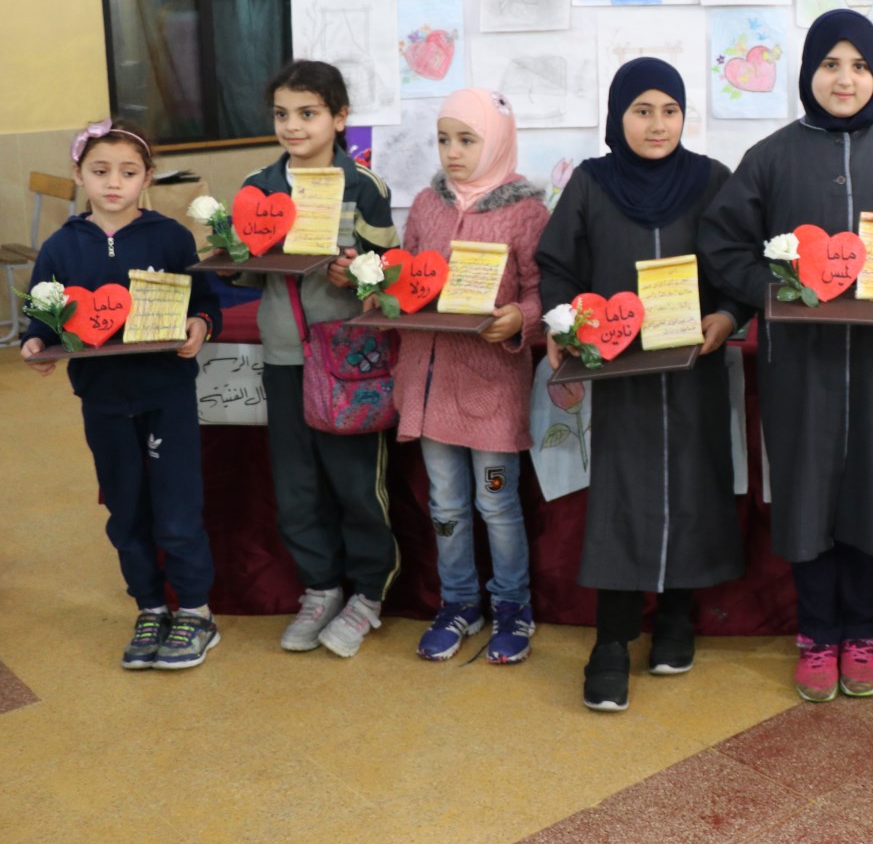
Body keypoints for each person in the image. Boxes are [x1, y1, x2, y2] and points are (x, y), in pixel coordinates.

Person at [700, 9, 873, 703]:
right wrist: (776, 292)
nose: (845, 79)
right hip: (800, 364)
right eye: (830, 64)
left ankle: (861, 633)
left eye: (860, 66)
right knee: (807, 493)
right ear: (808, 72)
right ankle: (816, 634)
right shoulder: (771, 157)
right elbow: (723, 244)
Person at [536, 59, 749, 713]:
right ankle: (612, 641)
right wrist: (559, 321)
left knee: (693, 487)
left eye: (670, 110)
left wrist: (728, 316)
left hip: (693, 376)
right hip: (620, 377)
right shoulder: (592, 184)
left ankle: (678, 618)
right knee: (622, 498)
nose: (658, 125)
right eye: (642, 110)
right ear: (617, 115)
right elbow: (557, 265)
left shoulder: (712, 180)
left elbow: (737, 264)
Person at [19, 120, 220, 669]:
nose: (114, 182)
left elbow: (204, 302)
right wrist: (36, 341)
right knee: (125, 510)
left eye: (128, 173)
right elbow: (42, 314)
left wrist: (201, 324)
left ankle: (196, 613)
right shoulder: (60, 246)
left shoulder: (170, 237)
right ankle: (150, 607)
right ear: (79, 174)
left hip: (167, 395)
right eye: (100, 171)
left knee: (177, 509)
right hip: (103, 401)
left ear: (147, 178)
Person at [239, 61, 401, 659]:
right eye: (281, 114)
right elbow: (239, 274)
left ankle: (368, 595)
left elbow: (389, 278)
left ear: (339, 117)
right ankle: (320, 588)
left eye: (308, 113)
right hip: (285, 354)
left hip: (349, 360)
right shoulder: (259, 185)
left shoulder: (365, 186)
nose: (293, 126)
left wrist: (357, 274)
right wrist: (234, 251)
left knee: (357, 484)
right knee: (297, 484)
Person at [391, 89, 547, 665]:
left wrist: (520, 319)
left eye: (467, 139)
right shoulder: (425, 205)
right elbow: (407, 276)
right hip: (430, 387)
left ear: (498, 141)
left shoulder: (527, 213)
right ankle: (458, 603)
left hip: (491, 391)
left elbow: (543, 292)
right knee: (446, 505)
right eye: (443, 139)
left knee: (496, 503)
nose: (452, 152)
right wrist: (382, 288)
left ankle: (513, 606)